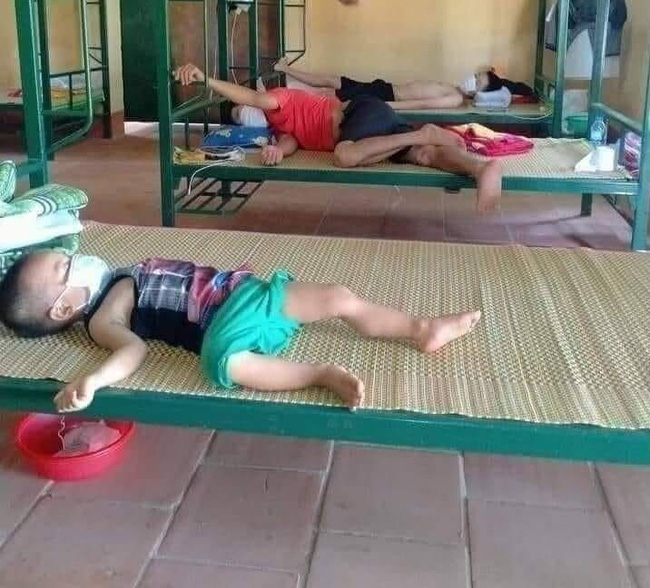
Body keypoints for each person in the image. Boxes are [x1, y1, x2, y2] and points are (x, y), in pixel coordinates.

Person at [0, 251, 481, 412]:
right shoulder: (104, 313)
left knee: (337, 296)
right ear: (64, 306)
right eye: (65, 266)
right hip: (224, 325)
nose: (75, 257)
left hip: (243, 292)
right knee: (221, 363)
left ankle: (421, 328)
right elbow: (132, 351)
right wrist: (95, 380)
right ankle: (316, 374)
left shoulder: (120, 272)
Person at [175, 63, 503, 211]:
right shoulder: (280, 128)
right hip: (372, 132)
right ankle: (480, 166)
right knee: (425, 155)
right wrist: (277, 152)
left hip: (359, 114)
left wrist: (206, 79)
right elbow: (291, 142)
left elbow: (250, 97)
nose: (247, 114)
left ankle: (422, 133)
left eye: (243, 113)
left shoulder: (279, 98)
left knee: (344, 156)